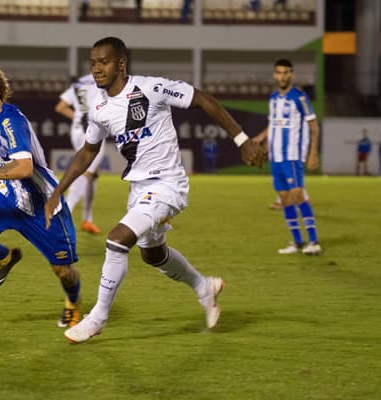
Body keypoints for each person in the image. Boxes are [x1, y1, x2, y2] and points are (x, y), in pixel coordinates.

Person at [44, 37, 266, 343]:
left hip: (168, 185)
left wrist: (243, 140)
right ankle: (204, 288)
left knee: (117, 240)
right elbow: (87, 151)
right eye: (92, 63)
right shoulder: (98, 106)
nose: (96, 69)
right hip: (139, 188)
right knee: (152, 254)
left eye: (103, 62)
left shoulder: (151, 88)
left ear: (121, 63)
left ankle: (97, 318)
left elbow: (201, 99)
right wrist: (58, 191)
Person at [0, 61, 83, 328]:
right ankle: (6, 256)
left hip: (43, 204)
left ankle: (73, 302)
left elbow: (24, 168)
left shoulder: (11, 121)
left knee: (63, 270)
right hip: (11, 196)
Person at [253, 58, 321, 255]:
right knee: (284, 198)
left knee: (298, 195)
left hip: (292, 155)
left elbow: (314, 126)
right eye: (279, 72)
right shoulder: (273, 97)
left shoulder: (299, 98)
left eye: (286, 72)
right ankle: (297, 242)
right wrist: (260, 140)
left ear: (292, 75)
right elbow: (273, 124)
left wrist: (313, 154)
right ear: (275, 75)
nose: (282, 76)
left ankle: (314, 242)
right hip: (275, 157)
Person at [55, 75, 105, 234]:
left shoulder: (79, 83)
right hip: (92, 130)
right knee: (86, 172)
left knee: (92, 173)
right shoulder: (103, 81)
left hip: (77, 129)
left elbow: (60, 107)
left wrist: (77, 116)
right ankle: (64, 215)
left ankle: (87, 219)